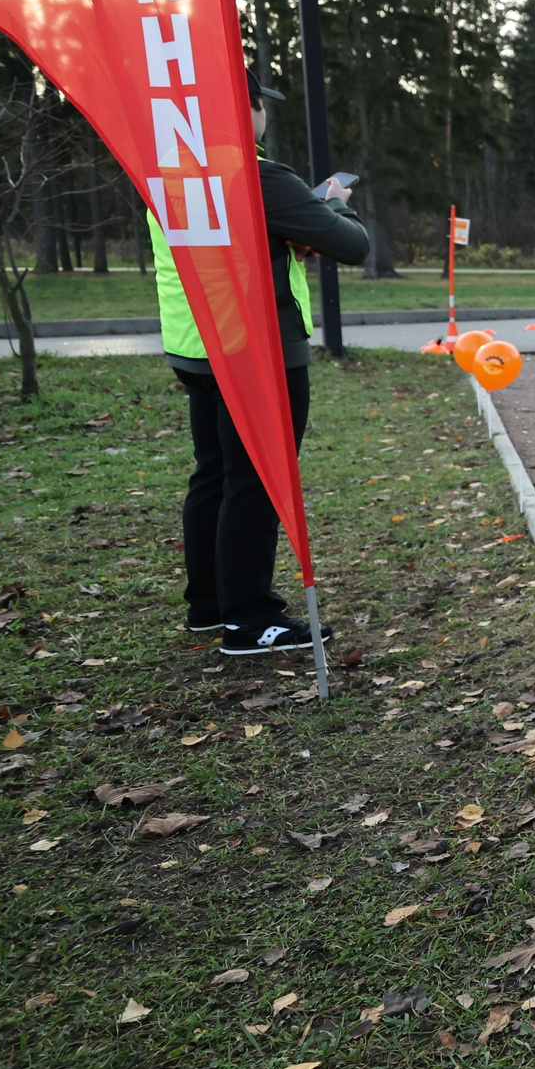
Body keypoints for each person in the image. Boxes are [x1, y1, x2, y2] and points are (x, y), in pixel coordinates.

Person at [155, 73, 370, 658]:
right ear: (241, 109)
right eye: (260, 105)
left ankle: (209, 605)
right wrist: (329, 207)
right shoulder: (258, 175)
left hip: (194, 343)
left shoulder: (169, 171)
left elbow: (225, 243)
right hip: (257, 348)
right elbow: (353, 246)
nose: (265, 117)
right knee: (254, 481)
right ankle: (248, 620)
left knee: (214, 474)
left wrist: (286, 235)